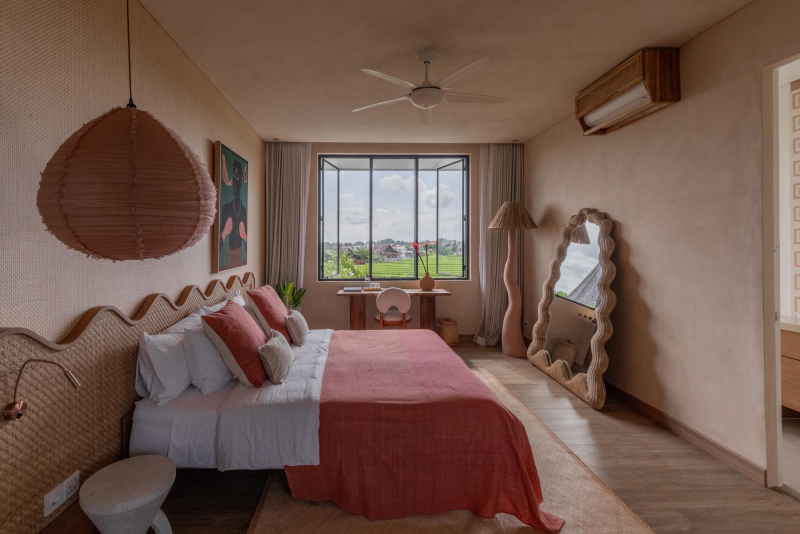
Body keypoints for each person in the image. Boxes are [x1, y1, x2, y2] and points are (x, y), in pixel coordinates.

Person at [220, 153, 247, 267]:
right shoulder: (227, 208)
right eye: (233, 176)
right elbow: (218, 246)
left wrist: (244, 236)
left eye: (238, 177)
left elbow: (247, 246)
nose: (235, 182)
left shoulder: (243, 211)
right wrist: (224, 233)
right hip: (228, 256)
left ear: (241, 181)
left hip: (240, 257)